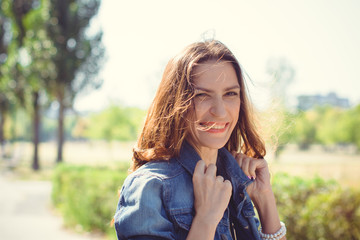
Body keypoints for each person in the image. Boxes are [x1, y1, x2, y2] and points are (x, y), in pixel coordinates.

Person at [114, 40, 286, 240]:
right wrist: (205, 218)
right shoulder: (150, 186)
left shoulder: (236, 178)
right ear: (175, 103)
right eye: (202, 95)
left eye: (230, 93)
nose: (220, 112)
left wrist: (265, 200)